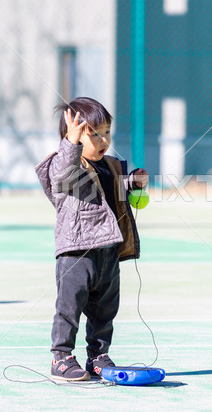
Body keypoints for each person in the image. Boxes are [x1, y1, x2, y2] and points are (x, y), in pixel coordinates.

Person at [35, 97, 148, 381]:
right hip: (77, 251)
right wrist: (71, 144)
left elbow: (113, 193)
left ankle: (98, 356)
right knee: (69, 307)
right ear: (71, 136)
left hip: (108, 250)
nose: (102, 140)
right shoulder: (64, 165)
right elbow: (63, 175)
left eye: (106, 132)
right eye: (93, 134)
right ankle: (61, 358)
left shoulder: (109, 166)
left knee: (105, 309)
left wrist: (133, 183)